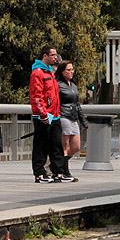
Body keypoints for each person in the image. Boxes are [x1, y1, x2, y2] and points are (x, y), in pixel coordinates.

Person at [29, 45, 71, 183]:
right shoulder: (38, 72)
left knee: (56, 144)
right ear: (45, 56)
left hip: (55, 114)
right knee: (41, 145)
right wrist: (42, 113)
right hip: (44, 115)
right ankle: (39, 173)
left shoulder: (51, 72)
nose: (55, 57)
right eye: (52, 55)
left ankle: (58, 172)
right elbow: (36, 95)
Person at [56, 61, 87, 182]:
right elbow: (55, 102)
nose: (71, 72)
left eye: (72, 69)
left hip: (73, 117)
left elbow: (77, 104)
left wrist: (83, 120)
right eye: (68, 70)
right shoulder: (58, 85)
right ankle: (65, 171)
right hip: (64, 116)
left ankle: (58, 163)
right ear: (62, 71)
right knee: (65, 146)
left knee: (76, 146)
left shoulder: (73, 85)